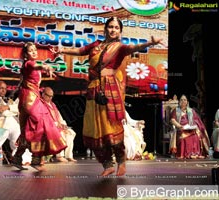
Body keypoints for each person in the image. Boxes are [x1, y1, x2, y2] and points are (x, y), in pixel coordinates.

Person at [51, 16, 165, 176]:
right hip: (93, 89)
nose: (113, 30)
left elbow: (133, 47)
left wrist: (150, 43)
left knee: (111, 126)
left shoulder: (119, 47)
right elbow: (80, 50)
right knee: (95, 127)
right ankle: (107, 164)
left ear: (120, 31)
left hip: (110, 89)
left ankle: (121, 160)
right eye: (110, 27)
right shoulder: (96, 45)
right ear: (106, 28)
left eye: (116, 28)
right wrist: (61, 50)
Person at [15, 42, 67, 171]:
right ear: (26, 55)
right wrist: (46, 67)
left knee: (29, 128)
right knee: (39, 123)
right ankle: (36, 158)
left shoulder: (30, 65)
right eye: (30, 51)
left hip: (33, 97)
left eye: (35, 50)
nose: (34, 52)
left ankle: (19, 157)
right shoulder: (29, 64)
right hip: (29, 99)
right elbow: (37, 66)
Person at [41, 87, 77, 162]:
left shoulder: (52, 104)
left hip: (57, 125)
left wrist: (63, 124)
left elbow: (59, 116)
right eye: (48, 96)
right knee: (60, 134)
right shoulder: (41, 104)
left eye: (51, 96)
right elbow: (44, 118)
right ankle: (60, 156)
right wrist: (57, 124)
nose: (50, 98)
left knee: (70, 133)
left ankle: (69, 155)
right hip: (48, 126)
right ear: (43, 94)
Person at [169, 94, 210, 159]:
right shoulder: (176, 110)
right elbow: (172, 120)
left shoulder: (191, 111)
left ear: (187, 102)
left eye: (184, 100)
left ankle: (194, 153)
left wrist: (195, 126)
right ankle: (185, 154)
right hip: (180, 129)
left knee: (196, 136)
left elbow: (197, 120)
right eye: (181, 100)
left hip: (190, 129)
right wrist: (179, 126)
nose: (183, 101)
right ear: (179, 102)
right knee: (183, 137)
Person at [0, 81, 21, 157]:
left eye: (5, 89)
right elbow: (4, 114)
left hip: (9, 125)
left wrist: (8, 107)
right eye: (1, 88)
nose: (4, 90)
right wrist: (13, 111)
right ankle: (14, 151)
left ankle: (15, 153)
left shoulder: (6, 100)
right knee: (10, 119)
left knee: (16, 127)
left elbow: (18, 109)